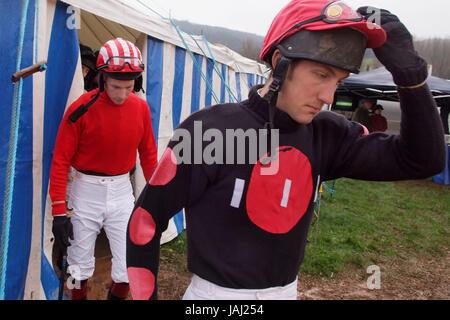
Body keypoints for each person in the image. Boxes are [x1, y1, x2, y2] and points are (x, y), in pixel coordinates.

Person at [126, 0, 445, 300]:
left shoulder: (328, 134)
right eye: (320, 74)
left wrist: (412, 79)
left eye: (339, 80)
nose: (328, 95)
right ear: (279, 63)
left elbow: (422, 160)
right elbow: (146, 220)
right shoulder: (211, 132)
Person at [50, 38, 158, 300]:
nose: (122, 94)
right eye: (115, 86)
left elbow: (149, 154)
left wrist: (157, 197)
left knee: (127, 266)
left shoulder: (141, 108)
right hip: (84, 190)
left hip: (122, 191)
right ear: (101, 79)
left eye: (129, 86)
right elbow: (60, 161)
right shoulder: (80, 110)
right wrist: (58, 214)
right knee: (77, 265)